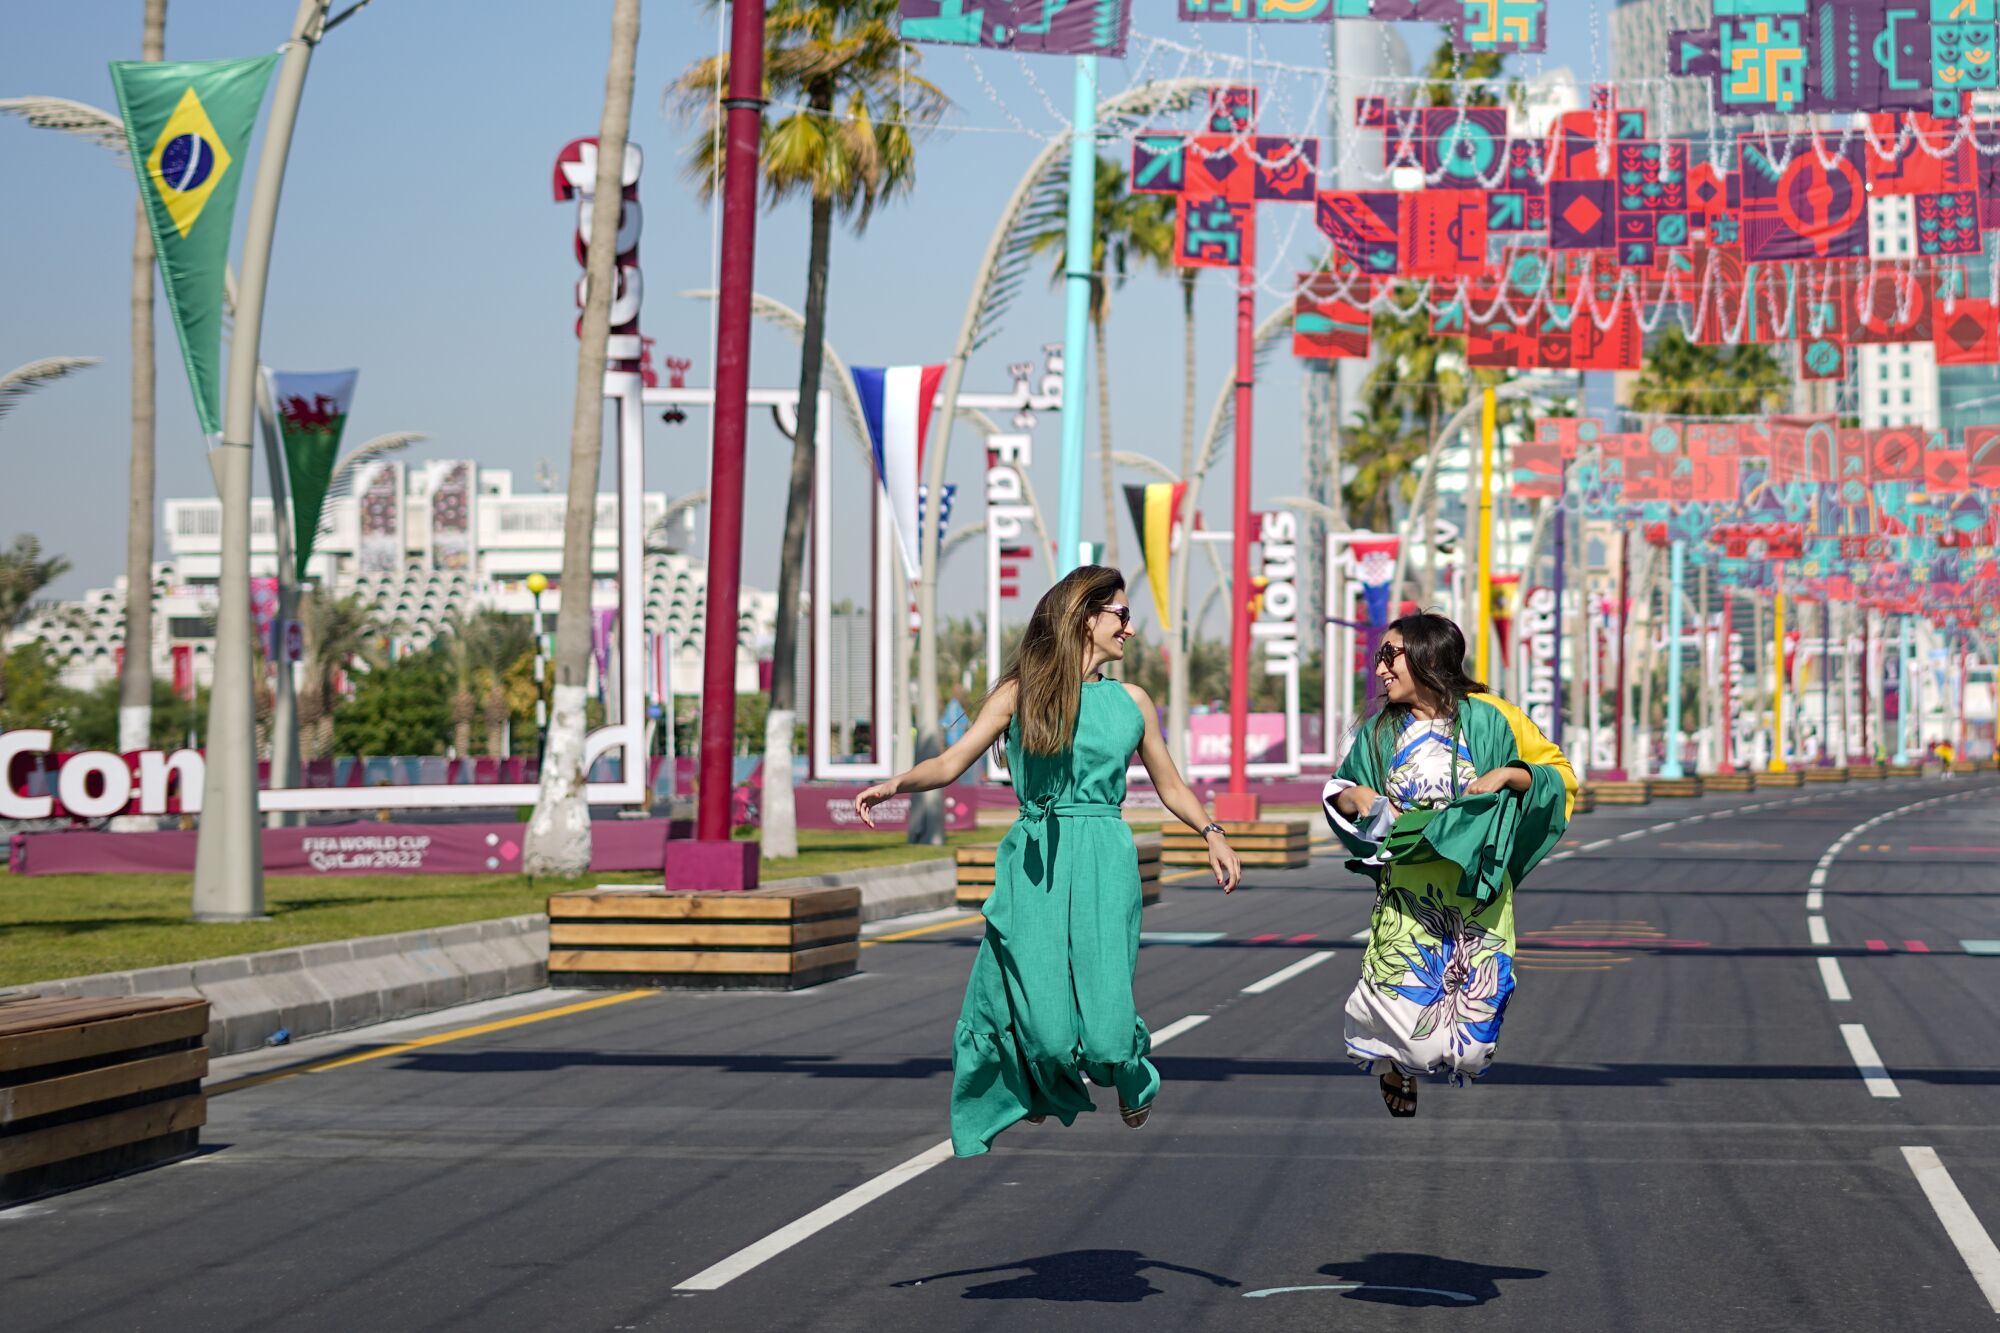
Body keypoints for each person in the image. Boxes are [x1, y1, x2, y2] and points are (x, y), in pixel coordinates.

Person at [856, 565, 1242, 1156]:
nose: (1130, 630)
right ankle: (1034, 1082)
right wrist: (894, 786)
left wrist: (1212, 831)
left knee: (1109, 1032)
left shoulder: (1133, 701)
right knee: (1048, 1031)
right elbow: (952, 761)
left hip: (1105, 861)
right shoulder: (1021, 693)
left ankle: (1130, 1070)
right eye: (1121, 615)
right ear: (1085, 617)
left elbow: (1171, 785)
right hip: (1035, 860)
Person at [1322, 613, 1576, 1117]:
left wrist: (1510, 773)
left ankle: (1414, 1056)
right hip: (1409, 895)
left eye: (1389, 656)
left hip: (1477, 892)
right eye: (1380, 658)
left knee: (1472, 1042)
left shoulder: (1493, 717)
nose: (1379, 671)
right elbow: (1337, 790)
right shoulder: (1378, 733)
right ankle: (1396, 1064)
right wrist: (1356, 796)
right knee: (1410, 1032)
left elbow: (1560, 777)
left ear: (1428, 658)